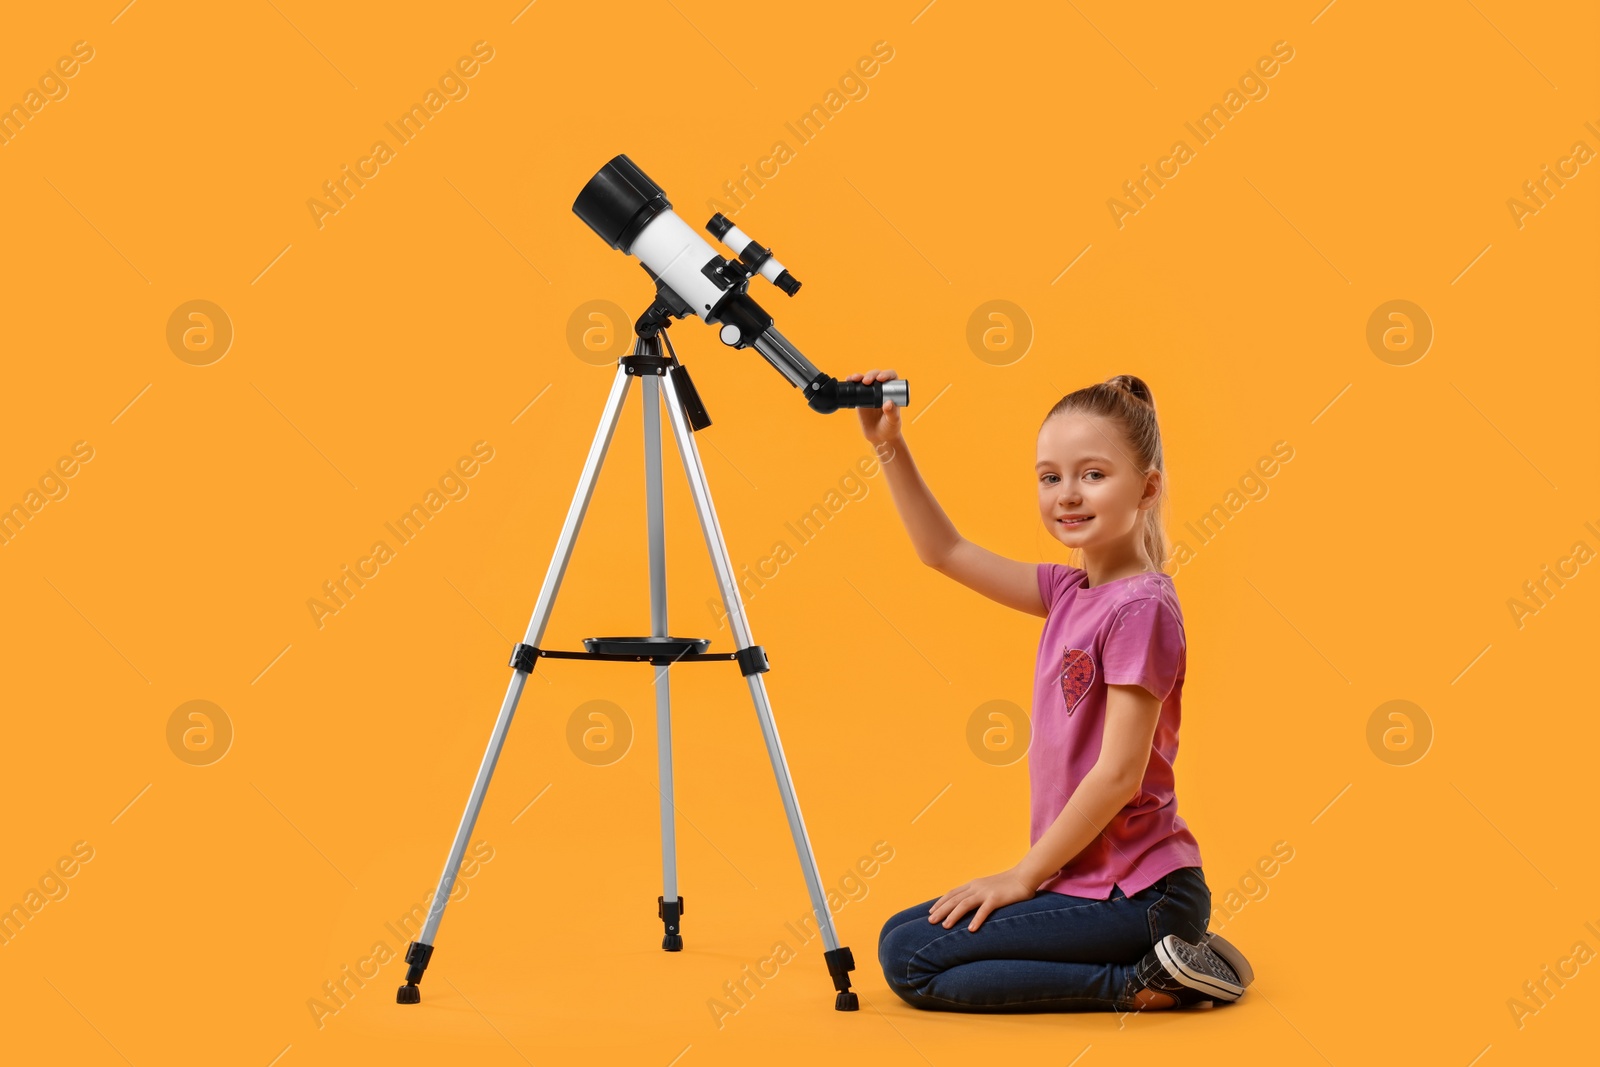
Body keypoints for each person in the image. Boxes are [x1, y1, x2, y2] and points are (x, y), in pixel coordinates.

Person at [856, 369, 1254, 1013]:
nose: (1068, 495)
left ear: (1147, 488)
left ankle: (1144, 979)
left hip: (1140, 894)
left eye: (1093, 475)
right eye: (1051, 477)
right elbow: (944, 551)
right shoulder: (1068, 592)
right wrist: (887, 444)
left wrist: (1021, 877)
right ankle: (1171, 960)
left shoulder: (1142, 608)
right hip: (1082, 884)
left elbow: (1120, 773)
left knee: (912, 963)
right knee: (899, 937)